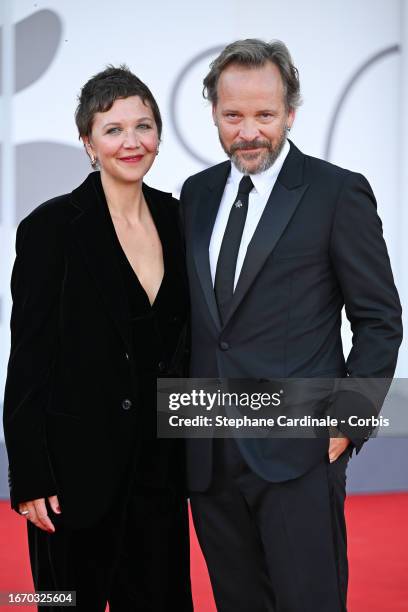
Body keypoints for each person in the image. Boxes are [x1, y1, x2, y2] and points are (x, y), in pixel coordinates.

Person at [180, 39, 402, 611]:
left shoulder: (335, 191)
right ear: (214, 114)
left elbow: (379, 318)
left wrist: (346, 422)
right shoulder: (197, 194)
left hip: (299, 450)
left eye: (264, 115)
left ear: (291, 114)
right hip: (208, 450)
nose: (248, 131)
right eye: (233, 116)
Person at [3, 65, 193, 612]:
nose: (131, 142)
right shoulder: (52, 227)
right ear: (88, 142)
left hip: (159, 472)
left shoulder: (179, 219)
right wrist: (30, 474)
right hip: (72, 476)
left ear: (159, 134)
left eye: (144, 126)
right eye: (113, 129)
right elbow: (30, 356)